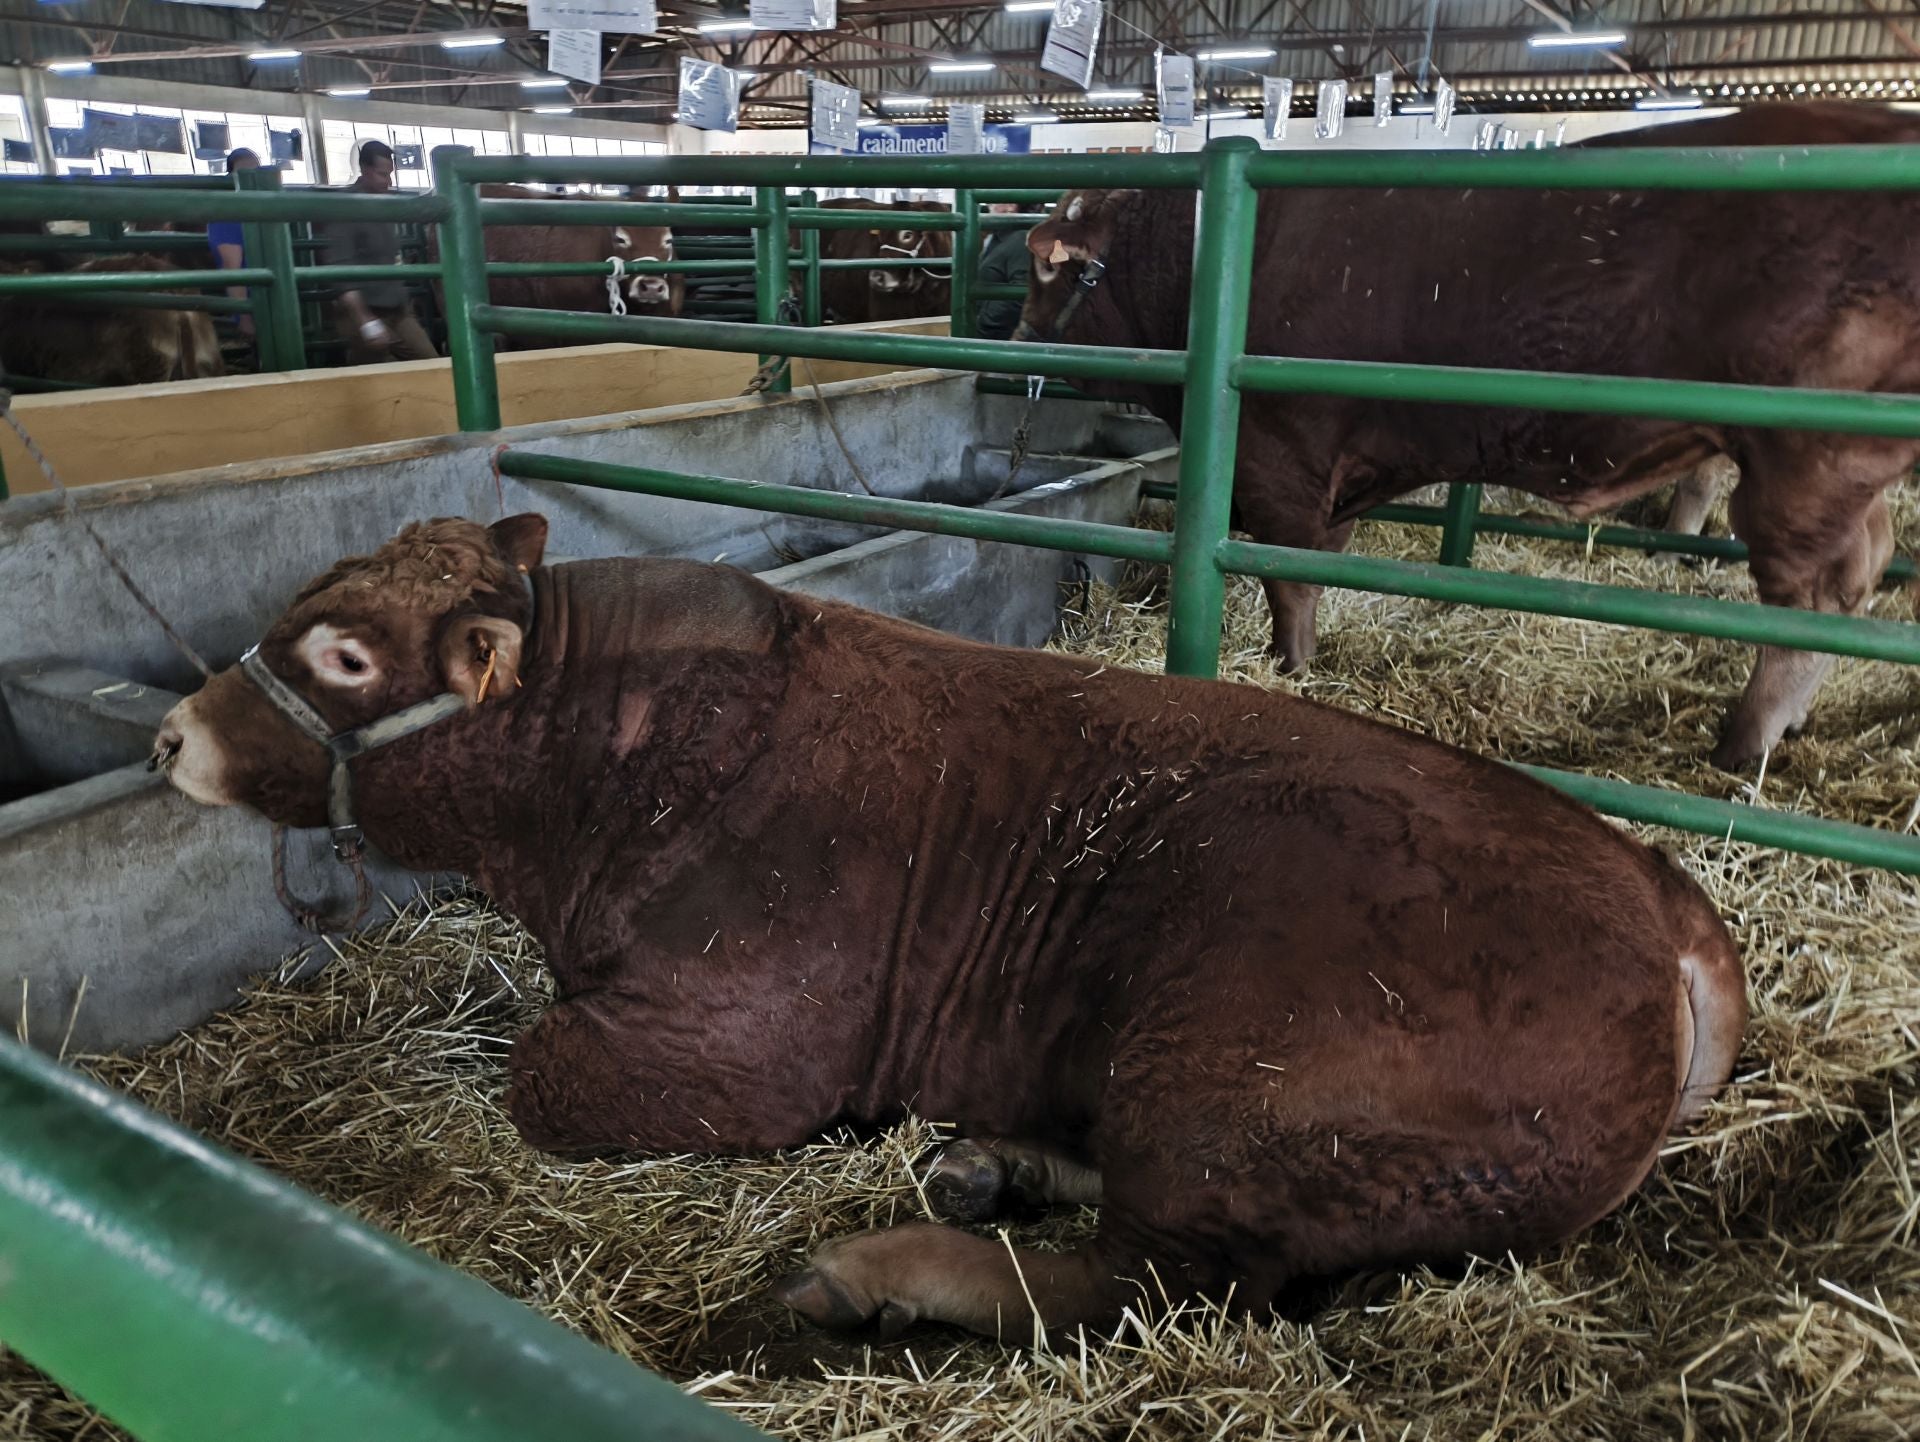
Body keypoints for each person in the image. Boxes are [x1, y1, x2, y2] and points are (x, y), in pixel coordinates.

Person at [318, 139, 434, 364]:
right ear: (364, 170)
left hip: (396, 309)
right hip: (362, 310)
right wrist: (365, 320)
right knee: (377, 370)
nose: (388, 182)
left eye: (389, 174)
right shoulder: (344, 208)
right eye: (382, 174)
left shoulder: (382, 204)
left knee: (431, 362)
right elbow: (340, 269)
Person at [208, 147, 259, 338]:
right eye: (243, 173)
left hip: (270, 298)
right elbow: (232, 268)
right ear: (231, 177)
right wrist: (244, 317)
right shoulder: (227, 215)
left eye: (255, 171)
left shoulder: (260, 209)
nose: (250, 179)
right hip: (253, 304)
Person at [973, 201, 1033, 341]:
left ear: (1011, 205)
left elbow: (1022, 294)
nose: (989, 206)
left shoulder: (1021, 239)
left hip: (999, 339)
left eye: (994, 202)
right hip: (992, 335)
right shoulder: (998, 237)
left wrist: (984, 320)